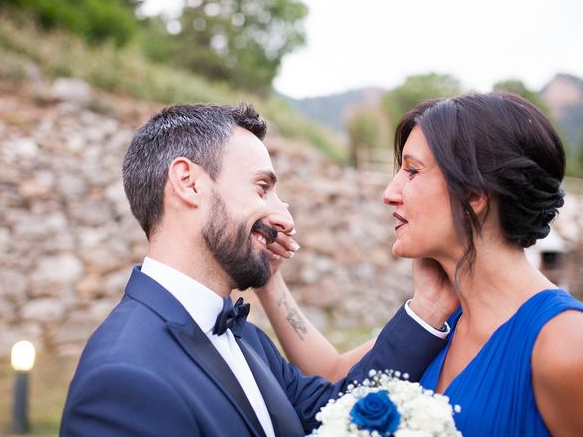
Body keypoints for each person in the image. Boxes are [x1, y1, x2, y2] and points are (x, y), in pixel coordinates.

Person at [59, 103, 456, 437]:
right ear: (189, 183)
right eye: (262, 188)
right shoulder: (122, 381)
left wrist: (428, 310)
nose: (284, 216)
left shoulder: (243, 334)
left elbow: (335, 409)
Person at [257, 93, 583, 436]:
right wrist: (269, 280)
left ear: (474, 194)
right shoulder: (441, 321)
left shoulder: (565, 344)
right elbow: (333, 377)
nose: (389, 192)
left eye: (412, 171)